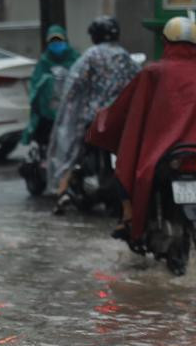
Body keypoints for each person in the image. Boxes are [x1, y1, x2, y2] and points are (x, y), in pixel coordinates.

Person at [87, 17, 196, 243]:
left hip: (160, 153)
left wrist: (103, 120)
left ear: (165, 41)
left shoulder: (153, 72)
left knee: (125, 163)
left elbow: (127, 109)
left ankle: (129, 218)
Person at [48, 17, 139, 211]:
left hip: (93, 119)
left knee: (72, 152)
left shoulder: (91, 55)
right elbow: (138, 82)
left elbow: (73, 85)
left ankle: (61, 193)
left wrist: (66, 106)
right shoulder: (125, 56)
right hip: (121, 120)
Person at [21, 25, 79, 149]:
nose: (56, 44)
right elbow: (36, 86)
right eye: (53, 42)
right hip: (48, 113)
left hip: (72, 110)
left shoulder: (75, 58)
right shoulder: (44, 61)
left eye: (59, 41)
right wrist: (49, 80)